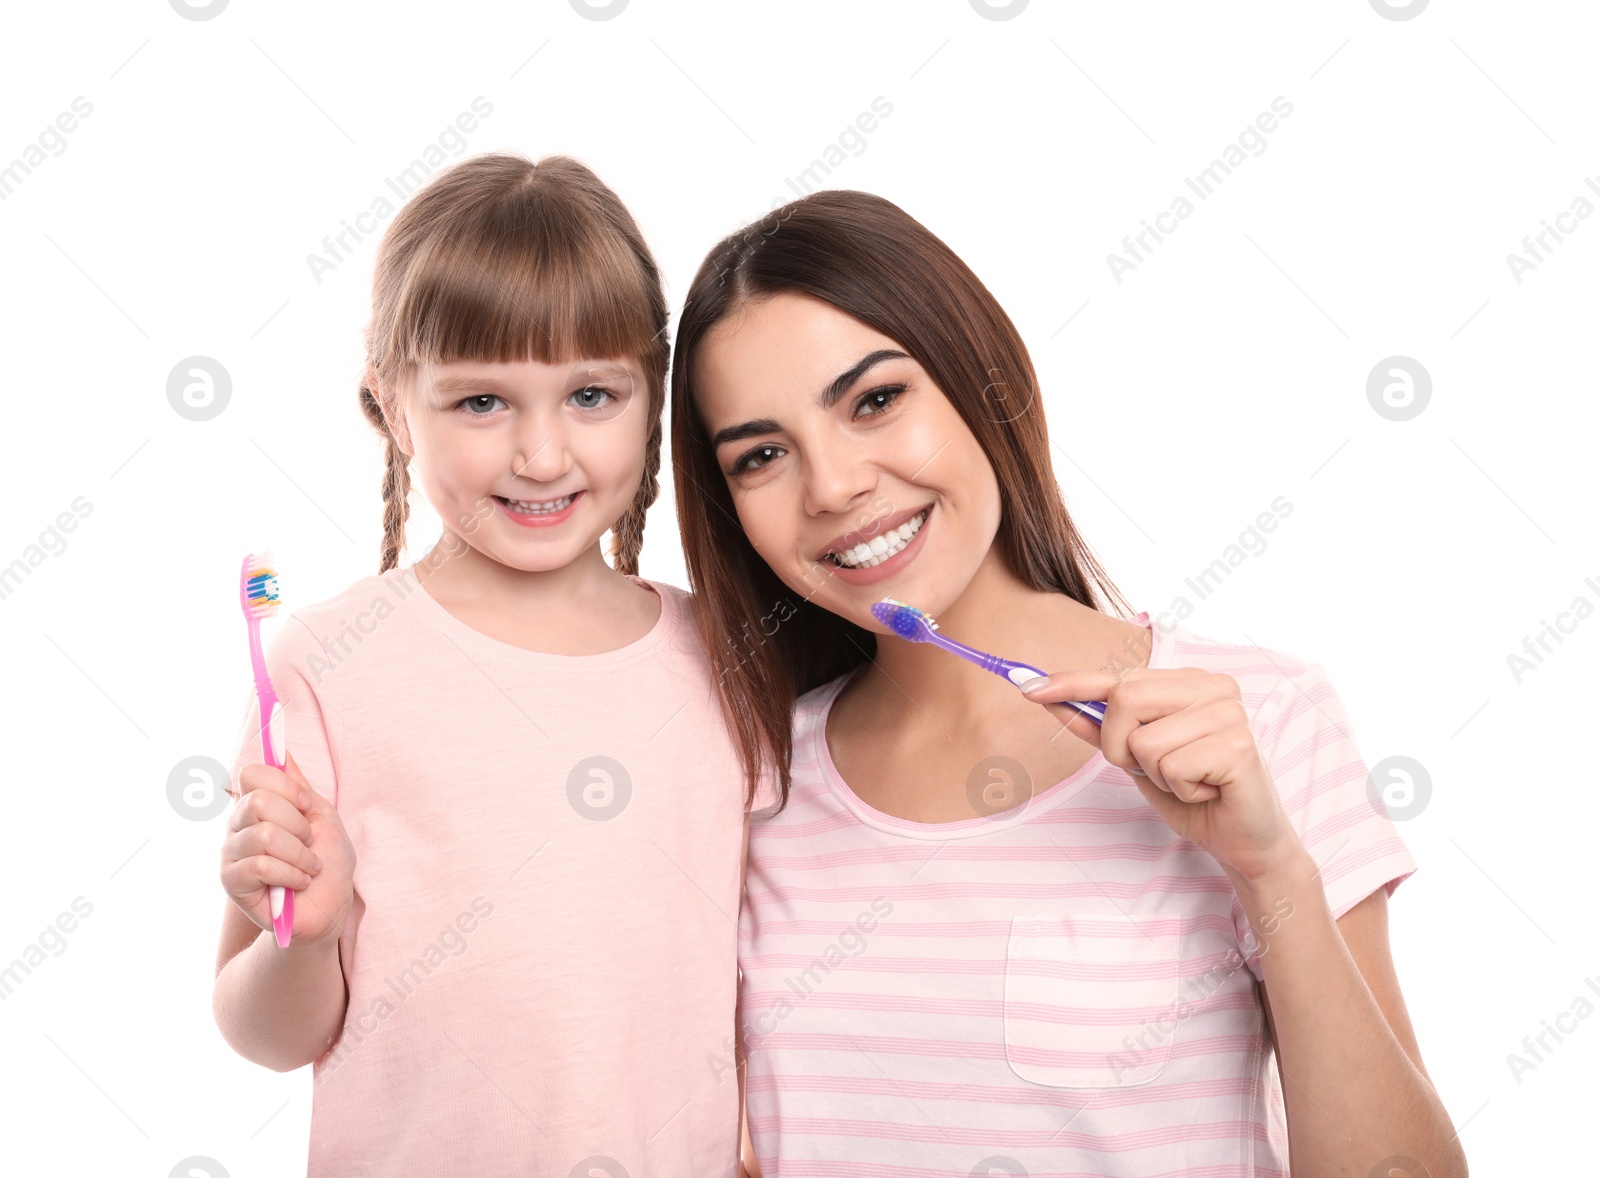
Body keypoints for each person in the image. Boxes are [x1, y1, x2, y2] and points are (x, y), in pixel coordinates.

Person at [667, 190, 1468, 1176]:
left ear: (983, 381)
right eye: (761, 454)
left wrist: (1270, 874)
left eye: (875, 400)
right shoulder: (747, 784)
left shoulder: (1257, 716)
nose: (831, 485)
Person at [212, 152, 761, 1176]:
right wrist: (305, 933)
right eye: (480, 403)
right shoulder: (328, 665)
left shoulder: (727, 661)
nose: (543, 454)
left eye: (592, 393)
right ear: (387, 401)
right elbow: (265, 1034)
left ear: (654, 395)